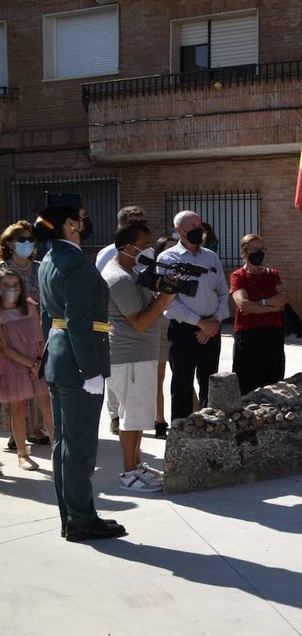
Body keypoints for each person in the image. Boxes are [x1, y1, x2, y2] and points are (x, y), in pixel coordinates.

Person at [33, 201, 126, 542]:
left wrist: (49, 356)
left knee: (64, 444)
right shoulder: (75, 263)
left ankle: (72, 516)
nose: (87, 223)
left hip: (59, 359)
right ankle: (81, 519)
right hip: (78, 364)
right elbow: (78, 320)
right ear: (70, 225)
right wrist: (90, 369)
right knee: (80, 446)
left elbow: (48, 318)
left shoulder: (49, 260)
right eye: (82, 219)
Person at [103, 222, 176, 493]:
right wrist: (165, 298)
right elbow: (140, 322)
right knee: (130, 418)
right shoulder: (119, 279)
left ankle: (136, 465)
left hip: (138, 356)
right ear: (127, 247)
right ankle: (129, 473)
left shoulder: (131, 273)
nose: (148, 249)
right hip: (129, 357)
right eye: (144, 245)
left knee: (136, 417)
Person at [161, 210, 229, 420]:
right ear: (179, 231)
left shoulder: (211, 257)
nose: (199, 230)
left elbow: (223, 293)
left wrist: (214, 323)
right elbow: (168, 302)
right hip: (184, 331)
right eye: (193, 227)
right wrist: (200, 323)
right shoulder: (168, 259)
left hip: (212, 329)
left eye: (200, 226)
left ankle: (209, 432)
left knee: (210, 384)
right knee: (182, 384)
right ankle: (180, 436)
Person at [96, 207, 147, 435]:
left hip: (144, 323)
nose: (140, 225)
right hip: (118, 321)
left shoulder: (147, 250)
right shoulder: (108, 254)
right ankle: (116, 416)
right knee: (116, 378)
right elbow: (100, 288)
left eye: (142, 221)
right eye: (135, 222)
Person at [0, 220, 50, 450]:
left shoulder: (40, 267)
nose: (27, 243)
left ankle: (36, 428)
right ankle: (16, 436)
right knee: (17, 388)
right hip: (10, 332)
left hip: (38, 327)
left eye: (31, 239)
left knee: (39, 384)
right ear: (9, 243)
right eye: (22, 239)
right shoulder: (3, 270)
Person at [0, 268, 53, 471]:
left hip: (35, 361)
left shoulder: (30, 307)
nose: (11, 289)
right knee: (18, 408)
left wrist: (38, 361)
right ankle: (22, 454)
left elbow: (40, 337)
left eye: (15, 285)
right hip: (14, 365)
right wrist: (29, 364)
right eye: (5, 285)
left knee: (46, 403)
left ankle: (58, 446)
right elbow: (4, 348)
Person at [229, 234, 287, 394]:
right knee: (247, 381)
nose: (259, 253)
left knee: (274, 380)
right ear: (244, 252)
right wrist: (270, 305)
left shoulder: (272, 274)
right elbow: (243, 304)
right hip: (248, 335)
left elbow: (282, 299)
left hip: (273, 333)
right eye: (255, 250)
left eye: (261, 250)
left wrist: (258, 304)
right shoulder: (238, 276)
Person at [152, 235, 177, 438]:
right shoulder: (153, 276)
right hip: (160, 328)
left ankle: (195, 414)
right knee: (158, 379)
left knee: (182, 375)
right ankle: (159, 421)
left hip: (179, 327)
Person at [95, 205, 146, 271]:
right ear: (121, 226)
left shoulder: (149, 252)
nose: (140, 227)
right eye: (134, 223)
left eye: (142, 222)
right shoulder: (107, 254)